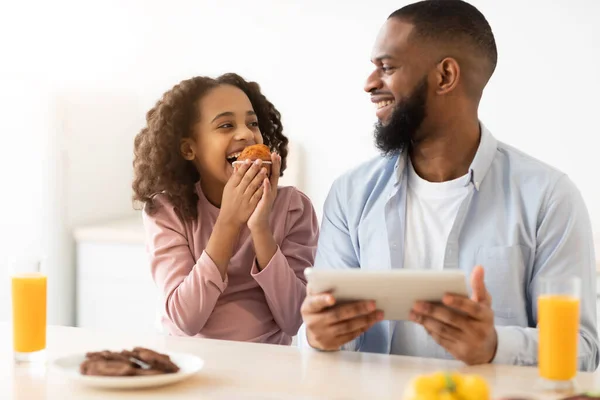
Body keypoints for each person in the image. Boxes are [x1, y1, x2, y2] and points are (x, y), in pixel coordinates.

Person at [299, 0, 599, 370]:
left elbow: (581, 350)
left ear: (445, 76)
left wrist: (494, 346)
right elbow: (320, 344)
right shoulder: (350, 195)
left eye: (387, 67)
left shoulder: (549, 198)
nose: (369, 83)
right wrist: (317, 337)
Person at [132, 73, 319, 345]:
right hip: (189, 361)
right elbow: (185, 320)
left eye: (252, 123)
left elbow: (293, 319)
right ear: (188, 149)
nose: (245, 134)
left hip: (269, 366)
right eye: (226, 125)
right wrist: (228, 223)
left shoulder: (294, 208)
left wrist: (260, 228)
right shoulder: (165, 211)